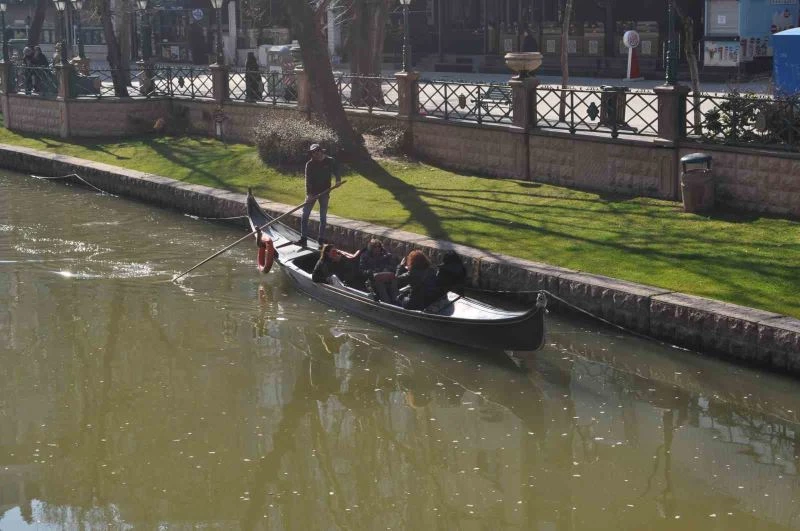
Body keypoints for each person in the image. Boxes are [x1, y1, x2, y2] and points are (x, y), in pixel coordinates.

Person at [300, 143, 341, 247]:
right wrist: (309, 194)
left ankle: (321, 240)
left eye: (318, 151)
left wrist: (338, 180)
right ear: (312, 154)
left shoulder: (330, 161)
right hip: (312, 193)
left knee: (323, 217)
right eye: (314, 152)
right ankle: (303, 238)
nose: (316, 153)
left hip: (325, 192)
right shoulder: (309, 164)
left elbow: (336, 170)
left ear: (321, 151)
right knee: (305, 215)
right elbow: (308, 180)